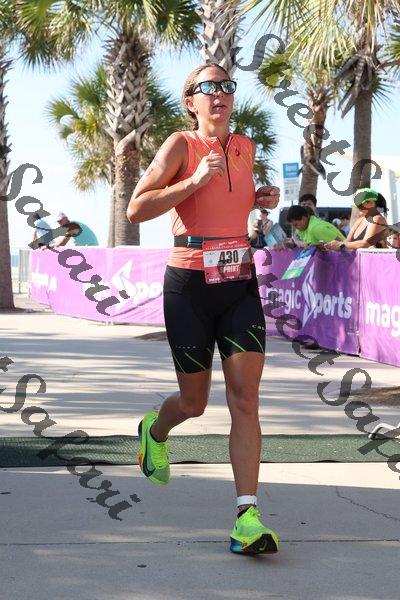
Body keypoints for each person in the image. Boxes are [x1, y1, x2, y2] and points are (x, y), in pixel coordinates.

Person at [127, 63, 280, 555]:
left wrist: (259, 199)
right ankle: (155, 431)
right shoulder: (180, 145)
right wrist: (192, 181)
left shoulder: (245, 147)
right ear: (191, 101)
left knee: (245, 398)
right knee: (194, 404)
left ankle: (247, 517)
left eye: (227, 86)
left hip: (238, 280)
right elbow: (136, 208)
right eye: (208, 87)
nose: (220, 94)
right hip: (189, 283)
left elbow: (229, 203)